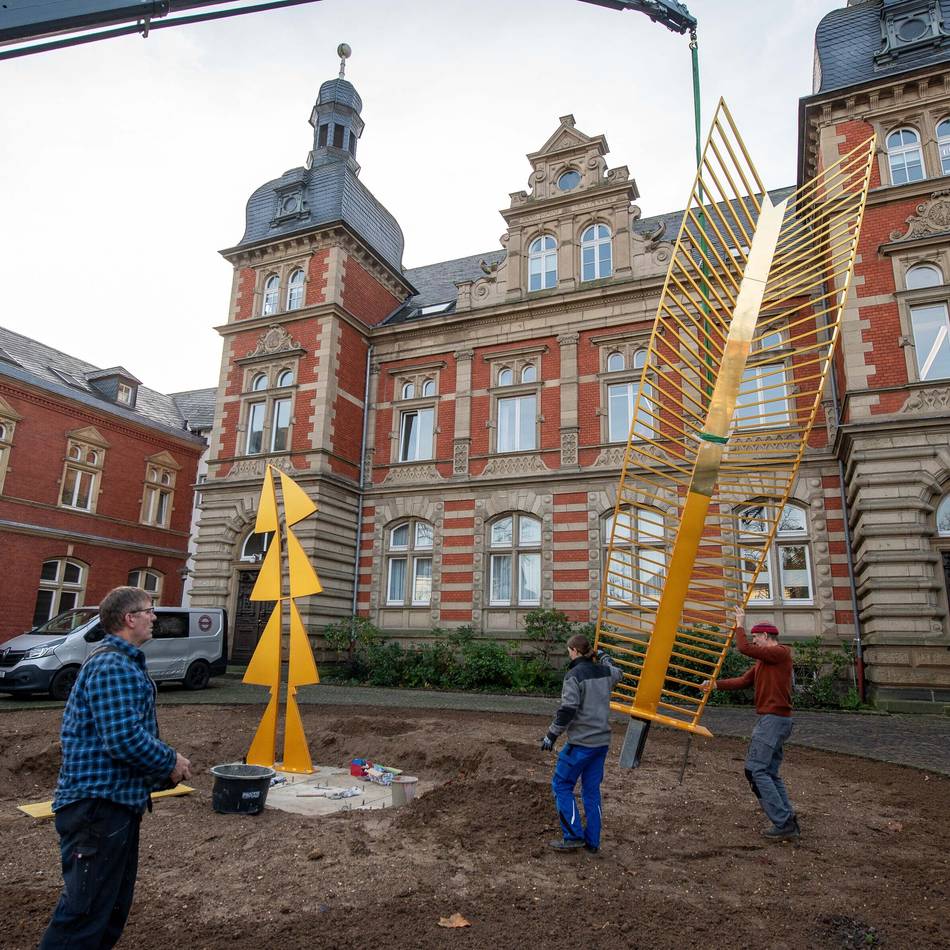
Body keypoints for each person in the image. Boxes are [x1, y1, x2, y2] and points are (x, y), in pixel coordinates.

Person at [40, 586, 192, 949]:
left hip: (113, 806)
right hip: (97, 808)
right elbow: (123, 738)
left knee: (107, 913)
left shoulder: (122, 662)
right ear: (129, 618)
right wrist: (170, 761)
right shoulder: (112, 665)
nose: (154, 617)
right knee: (84, 917)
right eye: (149, 610)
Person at [703, 607, 799, 842]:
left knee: (755, 770)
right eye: (753, 637)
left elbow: (744, 648)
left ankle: (783, 822)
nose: (754, 641)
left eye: (756, 637)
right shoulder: (765, 661)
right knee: (769, 772)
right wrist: (715, 685)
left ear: (766, 636)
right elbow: (744, 680)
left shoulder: (780, 652)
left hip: (774, 721)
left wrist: (740, 624)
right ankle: (787, 819)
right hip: (775, 720)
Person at [541, 633, 623, 854]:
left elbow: (568, 709)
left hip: (581, 744)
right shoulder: (605, 672)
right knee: (591, 791)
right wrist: (604, 657)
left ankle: (573, 836)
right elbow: (619, 672)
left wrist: (551, 735)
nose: (568, 653)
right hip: (601, 743)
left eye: (569, 650)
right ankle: (593, 842)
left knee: (561, 784)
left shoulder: (573, 676)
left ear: (575, 651)